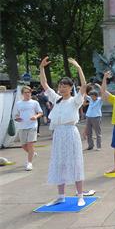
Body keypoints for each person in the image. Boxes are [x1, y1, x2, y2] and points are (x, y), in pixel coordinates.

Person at [39, 57, 87, 206]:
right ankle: (61, 195)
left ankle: (80, 195)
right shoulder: (57, 99)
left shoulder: (75, 100)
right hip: (58, 133)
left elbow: (84, 86)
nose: (62, 87)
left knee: (75, 162)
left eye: (65, 85)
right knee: (59, 162)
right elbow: (44, 84)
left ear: (70, 87)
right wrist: (41, 68)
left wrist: (78, 68)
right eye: (61, 85)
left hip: (70, 132)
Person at [13, 86, 43, 171]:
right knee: (23, 145)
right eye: (25, 92)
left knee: (30, 144)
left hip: (32, 126)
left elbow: (40, 112)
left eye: (29, 92)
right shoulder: (19, 103)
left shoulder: (34, 103)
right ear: (22, 94)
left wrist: (35, 116)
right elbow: (16, 115)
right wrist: (17, 118)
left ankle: (29, 163)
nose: (27, 94)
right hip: (22, 126)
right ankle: (32, 153)